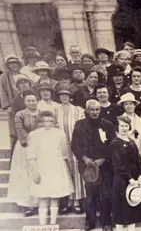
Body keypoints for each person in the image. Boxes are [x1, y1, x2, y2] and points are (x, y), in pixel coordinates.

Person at [71, 99, 116, 231]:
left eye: (97, 110)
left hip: (105, 165)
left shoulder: (107, 124)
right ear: (87, 111)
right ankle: (89, 222)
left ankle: (106, 222)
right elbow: (75, 145)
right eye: (92, 110)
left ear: (100, 110)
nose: (95, 112)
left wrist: (103, 158)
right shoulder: (79, 125)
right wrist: (84, 158)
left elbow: (112, 144)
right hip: (88, 166)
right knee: (91, 195)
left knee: (106, 194)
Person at [27, 110, 73, 225]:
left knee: (54, 197)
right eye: (45, 121)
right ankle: (42, 225)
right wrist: (35, 172)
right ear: (40, 122)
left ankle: (52, 224)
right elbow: (31, 155)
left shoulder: (60, 134)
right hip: (42, 167)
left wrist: (68, 168)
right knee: (42, 198)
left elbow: (65, 153)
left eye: (51, 121)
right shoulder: (34, 135)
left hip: (57, 167)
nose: (48, 123)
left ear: (54, 122)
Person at [54, 86, 86, 215]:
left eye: (66, 95)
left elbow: (83, 129)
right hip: (60, 146)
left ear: (70, 96)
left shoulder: (78, 110)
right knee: (64, 171)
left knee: (76, 172)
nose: (64, 97)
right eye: (62, 95)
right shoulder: (55, 110)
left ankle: (77, 201)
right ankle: (67, 202)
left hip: (76, 146)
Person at [8, 90, 40, 217]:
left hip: (40, 146)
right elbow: (20, 130)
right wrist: (29, 142)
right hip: (25, 146)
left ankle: (40, 203)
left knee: (38, 173)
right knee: (26, 174)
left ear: (37, 101)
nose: (31, 103)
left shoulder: (42, 113)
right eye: (28, 100)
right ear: (25, 102)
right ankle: (28, 205)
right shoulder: (20, 114)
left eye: (33, 100)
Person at [111, 116, 141, 231]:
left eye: (126, 126)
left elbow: (139, 160)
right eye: (122, 126)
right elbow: (119, 164)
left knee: (133, 209)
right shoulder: (115, 143)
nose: (124, 128)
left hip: (135, 180)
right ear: (117, 127)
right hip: (122, 181)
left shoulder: (132, 142)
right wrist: (130, 179)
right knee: (121, 211)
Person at [118, 93, 141, 158]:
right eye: (126, 104)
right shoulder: (120, 120)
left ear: (134, 105)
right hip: (125, 152)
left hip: (139, 152)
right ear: (123, 106)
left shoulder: (140, 120)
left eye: (131, 104)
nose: (129, 106)